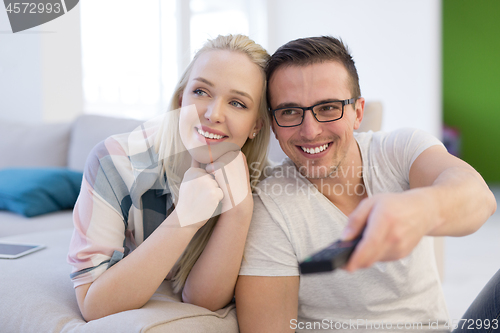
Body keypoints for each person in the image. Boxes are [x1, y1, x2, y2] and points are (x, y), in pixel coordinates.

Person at [235, 36, 498, 332]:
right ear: (273, 122)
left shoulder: (399, 149)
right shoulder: (270, 207)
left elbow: (480, 199)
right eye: (290, 111)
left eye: (328, 107)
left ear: (358, 112)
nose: (310, 131)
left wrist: (420, 209)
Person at [67, 34, 271, 321]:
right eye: (201, 92)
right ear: (180, 100)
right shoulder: (114, 160)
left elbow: (201, 300)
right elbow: (94, 304)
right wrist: (184, 218)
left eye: (237, 103)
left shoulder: (265, 183)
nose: (213, 114)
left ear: (256, 126)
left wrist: (238, 211)